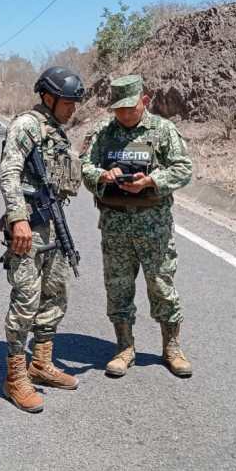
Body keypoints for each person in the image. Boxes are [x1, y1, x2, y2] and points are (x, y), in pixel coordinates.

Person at [80, 74, 193, 378]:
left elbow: (184, 168)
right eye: (119, 109)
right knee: (118, 287)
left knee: (161, 286)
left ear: (144, 101)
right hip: (115, 226)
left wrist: (152, 181)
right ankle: (124, 347)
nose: (125, 115)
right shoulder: (104, 134)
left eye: (130, 108)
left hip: (153, 227)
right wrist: (102, 176)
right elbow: (84, 166)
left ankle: (171, 348)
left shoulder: (162, 130)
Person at [0, 67, 85, 412]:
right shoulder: (26, 125)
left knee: (56, 293)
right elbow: (9, 172)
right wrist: (18, 217)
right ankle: (15, 377)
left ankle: (42, 363)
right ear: (48, 97)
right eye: (68, 102)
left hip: (54, 226)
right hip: (29, 228)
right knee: (26, 300)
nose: (72, 108)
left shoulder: (56, 131)